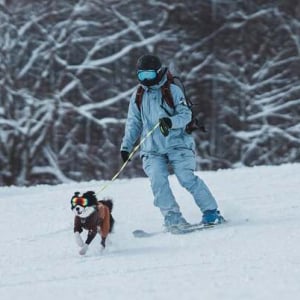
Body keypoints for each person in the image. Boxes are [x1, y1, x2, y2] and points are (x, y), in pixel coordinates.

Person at [120, 54, 224, 231]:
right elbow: (133, 123)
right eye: (141, 76)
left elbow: (186, 115)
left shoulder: (173, 91)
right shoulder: (138, 95)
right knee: (158, 181)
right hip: (151, 149)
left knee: (186, 178)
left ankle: (211, 212)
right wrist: (126, 147)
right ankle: (173, 218)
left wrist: (170, 122)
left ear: (158, 73)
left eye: (149, 76)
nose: (146, 80)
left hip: (178, 144)